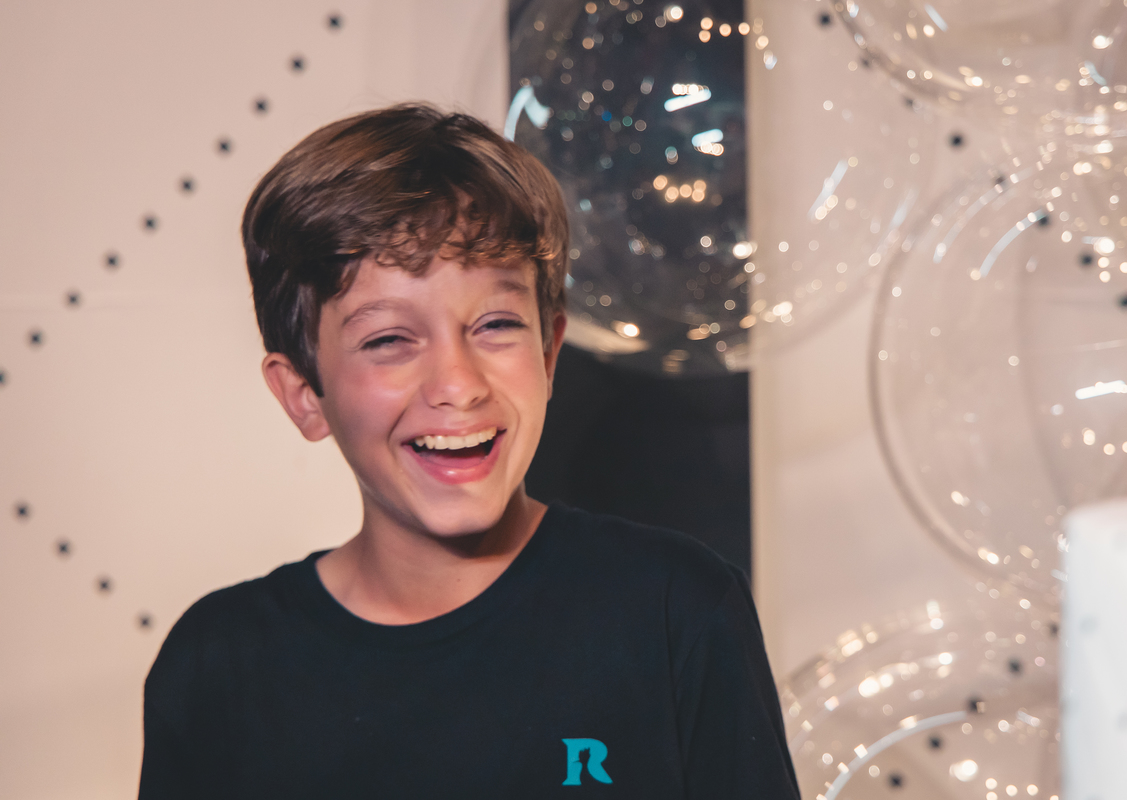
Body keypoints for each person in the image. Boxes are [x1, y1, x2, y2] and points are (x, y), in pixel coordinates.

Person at [137, 103, 800, 799]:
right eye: (388, 339)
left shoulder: (676, 611)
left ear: (548, 353)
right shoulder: (217, 668)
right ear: (304, 394)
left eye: (495, 324)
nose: (457, 385)